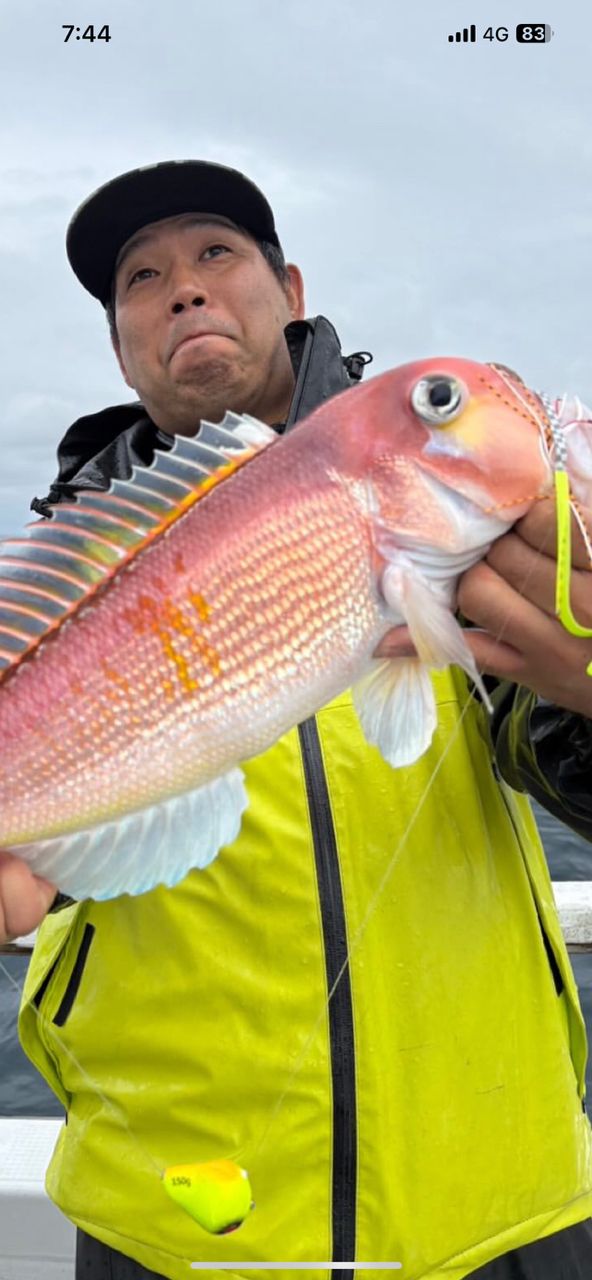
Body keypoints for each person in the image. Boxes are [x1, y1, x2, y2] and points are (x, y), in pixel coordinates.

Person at [2, 159, 592, 1280]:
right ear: (121, 348)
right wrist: (44, 859)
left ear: (292, 290)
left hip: (497, 1204)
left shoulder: (497, 554)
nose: (183, 287)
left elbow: (570, 773)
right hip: (169, 1216)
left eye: (215, 252)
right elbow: (71, 862)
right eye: (141, 278)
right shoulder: (65, 566)